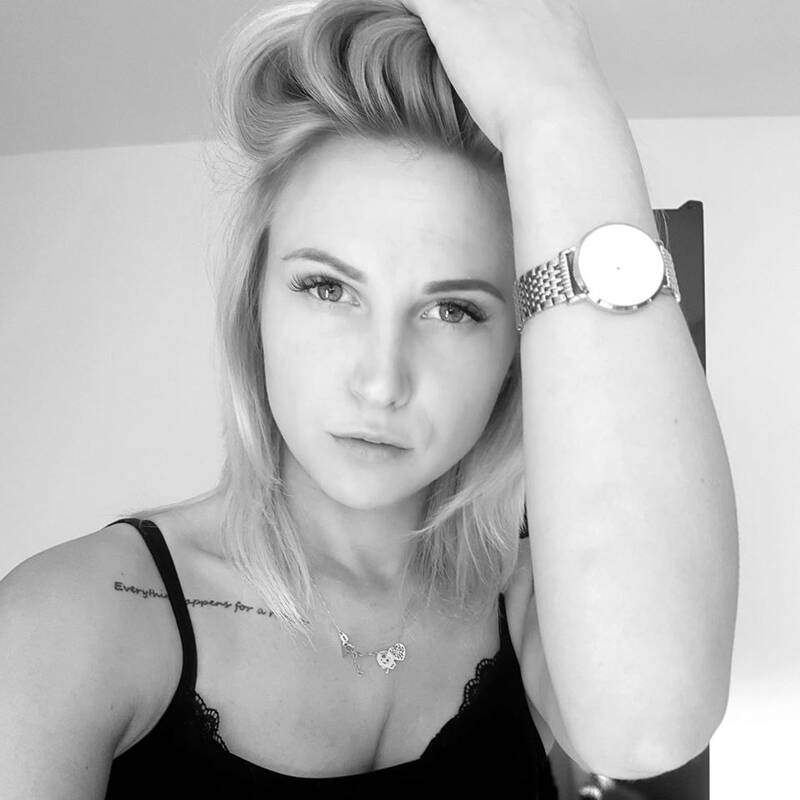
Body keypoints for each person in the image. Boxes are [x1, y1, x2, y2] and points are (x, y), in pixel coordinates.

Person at [0, 0, 739, 797]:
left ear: (516, 358)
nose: (382, 382)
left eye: (453, 310)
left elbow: (650, 728)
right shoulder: (78, 616)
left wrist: (559, 106)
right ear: (254, 307)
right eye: (329, 289)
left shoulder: (532, 605)